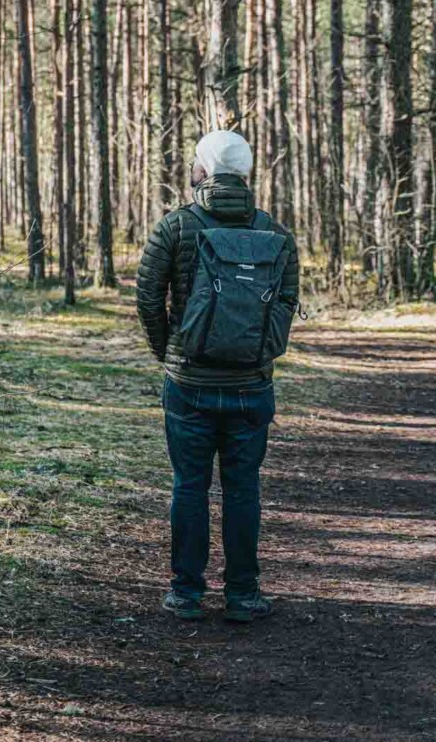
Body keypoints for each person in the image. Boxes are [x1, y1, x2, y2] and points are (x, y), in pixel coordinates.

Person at [136, 130, 300, 623]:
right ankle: (243, 595)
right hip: (252, 385)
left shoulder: (175, 227)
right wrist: (262, 357)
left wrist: (170, 352)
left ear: (203, 169)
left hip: (189, 384)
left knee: (190, 485)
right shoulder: (276, 233)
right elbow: (286, 306)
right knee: (242, 487)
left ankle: (186, 594)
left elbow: (148, 298)